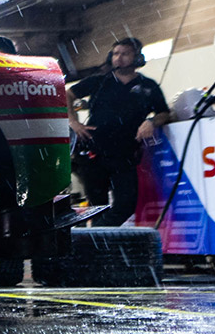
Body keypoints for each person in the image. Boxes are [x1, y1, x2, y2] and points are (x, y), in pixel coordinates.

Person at [68, 36, 169, 228]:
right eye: (115, 54)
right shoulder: (99, 81)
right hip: (94, 150)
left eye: (125, 54)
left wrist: (151, 121)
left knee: (127, 203)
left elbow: (164, 113)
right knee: (98, 206)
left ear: (137, 58)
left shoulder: (148, 86)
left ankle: (97, 235)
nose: (119, 58)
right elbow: (68, 93)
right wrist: (74, 122)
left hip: (125, 152)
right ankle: (99, 249)